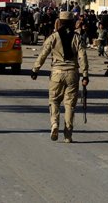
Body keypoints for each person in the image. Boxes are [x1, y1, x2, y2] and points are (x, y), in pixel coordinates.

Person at [31, 11, 90, 142]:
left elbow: (43, 54)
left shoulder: (53, 37)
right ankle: (68, 135)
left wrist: (35, 69)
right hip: (72, 74)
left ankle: (54, 124)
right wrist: (85, 75)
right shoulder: (77, 37)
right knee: (70, 105)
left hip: (57, 73)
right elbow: (83, 57)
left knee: (54, 101)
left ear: (60, 22)